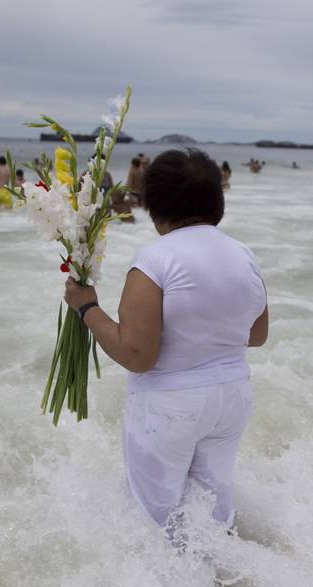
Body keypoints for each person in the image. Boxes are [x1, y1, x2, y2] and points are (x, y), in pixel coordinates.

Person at [61, 148, 269, 530]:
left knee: (154, 520)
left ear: (155, 207)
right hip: (233, 398)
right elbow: (256, 335)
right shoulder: (244, 254)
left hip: (170, 405)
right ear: (216, 202)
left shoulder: (155, 259)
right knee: (214, 510)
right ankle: (224, 584)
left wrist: (87, 308)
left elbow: (137, 355)